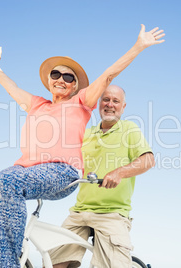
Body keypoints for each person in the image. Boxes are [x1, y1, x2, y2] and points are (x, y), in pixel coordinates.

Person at [0, 24, 165, 268]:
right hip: (27, 170)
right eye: (56, 75)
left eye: (68, 77)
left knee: (9, 185)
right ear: (49, 81)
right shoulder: (37, 104)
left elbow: (108, 76)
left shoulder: (81, 103)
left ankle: (6, 264)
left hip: (61, 171)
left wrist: (138, 47)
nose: (61, 79)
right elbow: (13, 88)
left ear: (74, 86)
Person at [50, 85, 155, 268]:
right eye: (106, 99)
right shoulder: (86, 134)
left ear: (123, 106)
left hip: (112, 213)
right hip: (80, 211)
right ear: (99, 104)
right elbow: (64, 161)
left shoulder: (129, 129)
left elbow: (148, 160)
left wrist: (119, 172)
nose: (110, 104)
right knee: (53, 262)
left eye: (116, 101)